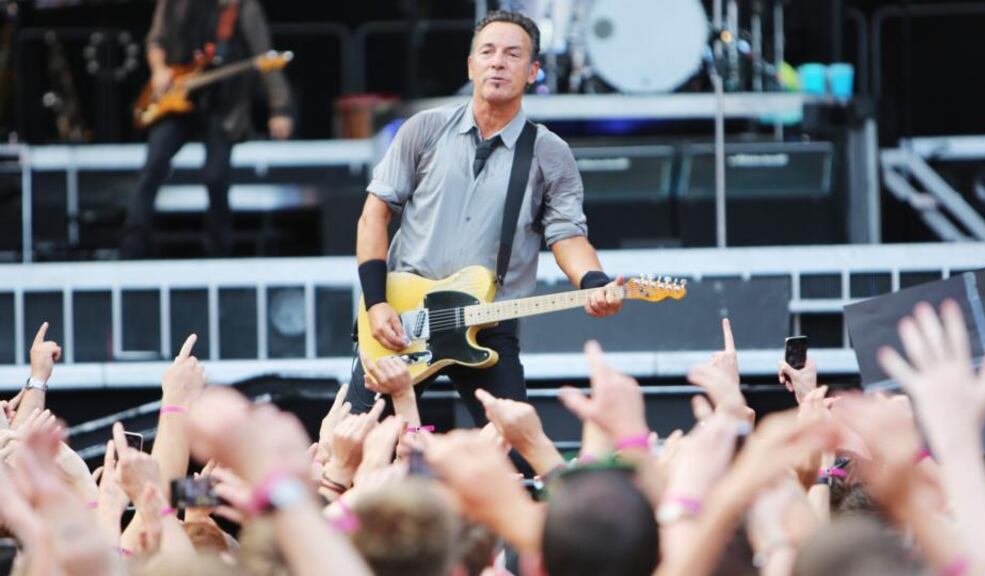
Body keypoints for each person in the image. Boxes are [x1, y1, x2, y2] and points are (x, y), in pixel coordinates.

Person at [348, 10, 623, 426]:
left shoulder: (549, 152)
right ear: (471, 66)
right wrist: (376, 303)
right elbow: (373, 215)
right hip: (404, 315)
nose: (498, 62)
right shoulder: (423, 129)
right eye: (488, 52)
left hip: (488, 320)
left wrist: (594, 282)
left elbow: (566, 234)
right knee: (359, 439)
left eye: (513, 55)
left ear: (532, 72)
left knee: (516, 444)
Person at [121, 0, 293, 259]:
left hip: (223, 102)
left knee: (216, 175)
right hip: (177, 97)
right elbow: (155, 41)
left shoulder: (241, 6)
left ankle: (219, 252)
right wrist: (159, 70)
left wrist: (280, 109)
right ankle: (132, 248)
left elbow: (263, 53)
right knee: (153, 165)